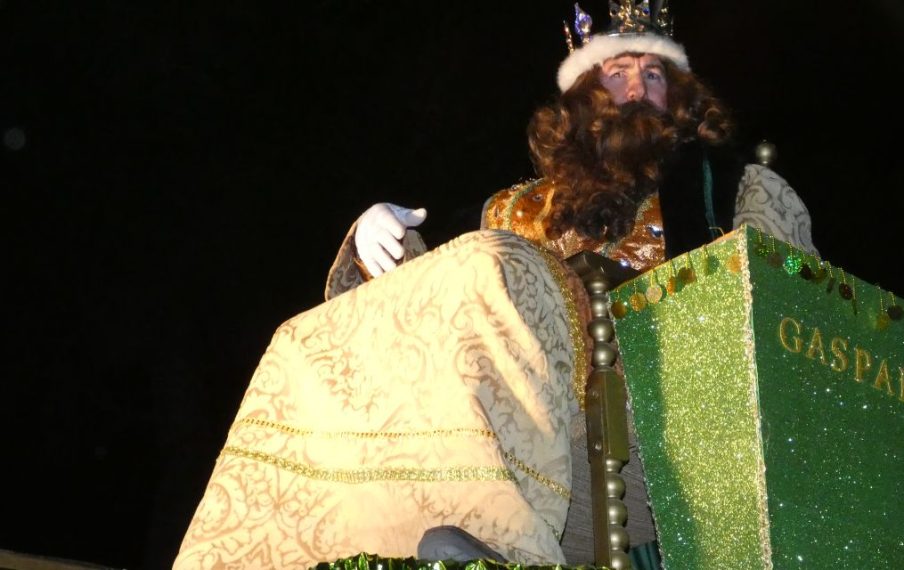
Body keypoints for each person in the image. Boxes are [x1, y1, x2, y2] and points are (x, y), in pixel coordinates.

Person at [175, 2, 817, 568]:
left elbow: (795, 310)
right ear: (585, 95)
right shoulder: (511, 211)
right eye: (617, 72)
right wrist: (385, 252)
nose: (637, 88)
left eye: (655, 75)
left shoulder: (735, 189)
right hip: (528, 421)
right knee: (302, 336)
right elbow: (448, 303)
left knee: (495, 265)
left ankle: (503, 545)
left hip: (664, 421)